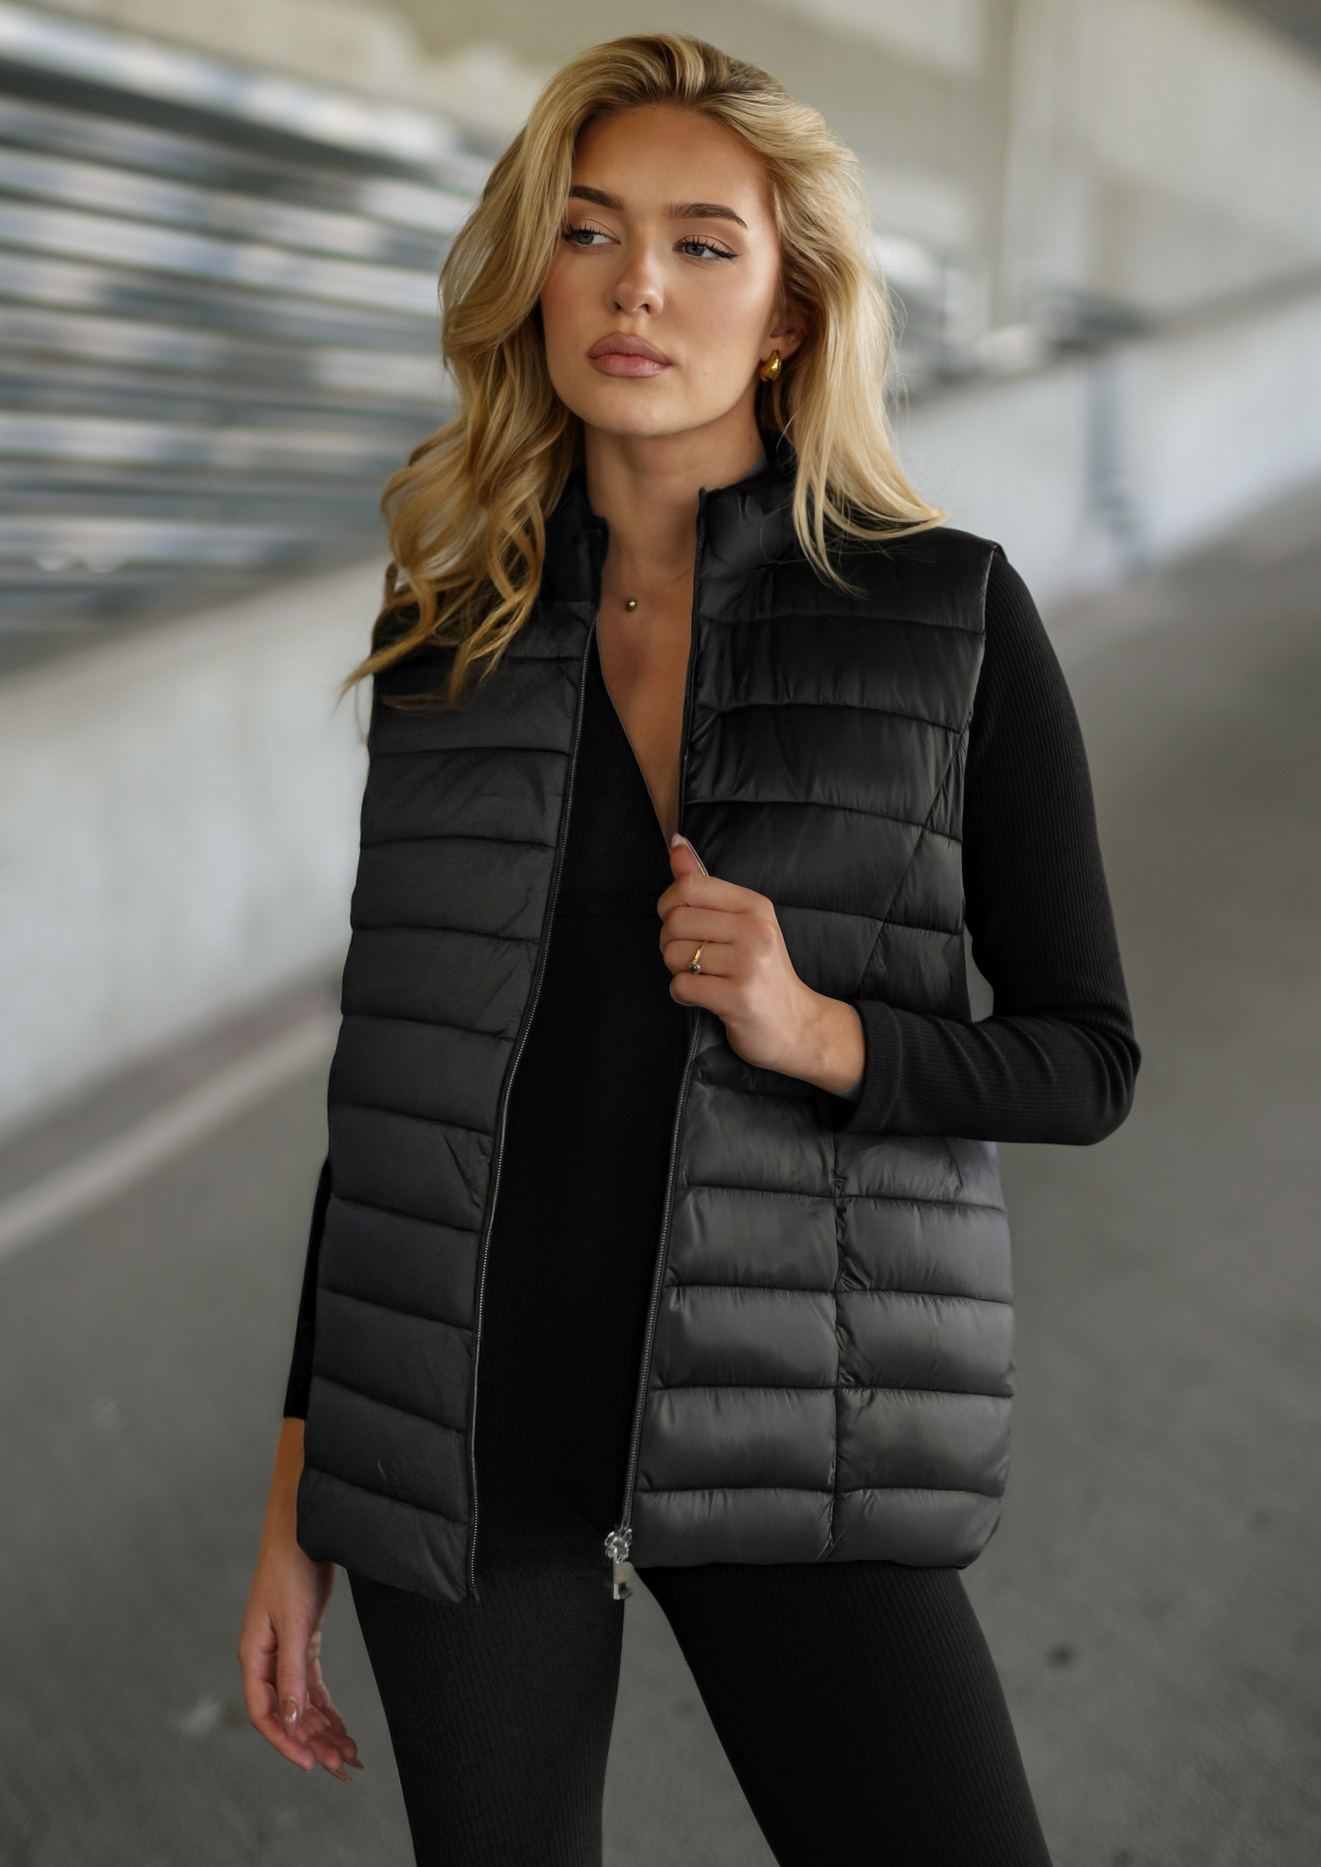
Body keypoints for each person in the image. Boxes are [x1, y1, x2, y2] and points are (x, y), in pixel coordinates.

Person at [239, 33, 1137, 1867]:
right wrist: (302, 1489)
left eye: (702, 244)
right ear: (535, 275)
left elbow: (1087, 1056)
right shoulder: (452, 637)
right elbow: (393, 1103)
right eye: (587, 232)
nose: (634, 285)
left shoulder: (944, 617)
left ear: (790, 310)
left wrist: (822, 1031)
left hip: (795, 1426)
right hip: (466, 1440)